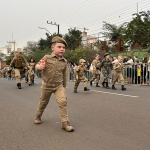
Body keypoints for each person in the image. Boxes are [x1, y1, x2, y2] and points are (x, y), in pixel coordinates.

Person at [34, 36, 74, 132]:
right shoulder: (47, 57)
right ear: (53, 48)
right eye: (59, 47)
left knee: (63, 102)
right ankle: (38, 116)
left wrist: (64, 86)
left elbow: (64, 75)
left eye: (63, 48)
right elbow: (37, 66)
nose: (62, 49)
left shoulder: (64, 61)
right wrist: (40, 66)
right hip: (47, 86)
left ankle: (65, 123)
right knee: (43, 102)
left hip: (58, 86)